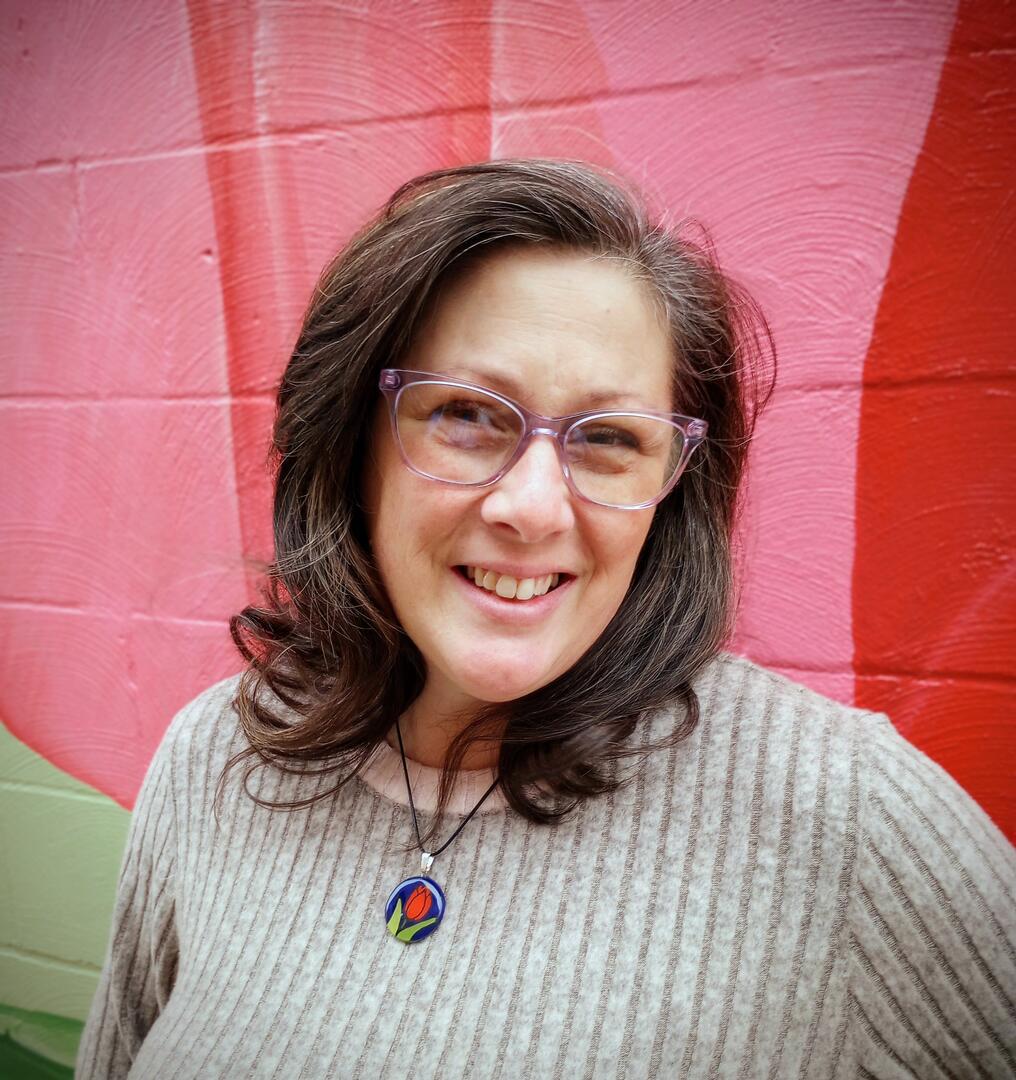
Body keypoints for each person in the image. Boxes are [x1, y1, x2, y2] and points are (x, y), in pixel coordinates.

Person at [76, 159, 1015, 1079]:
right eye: (466, 415)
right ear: (353, 446)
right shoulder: (219, 758)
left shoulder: (844, 815)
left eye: (609, 439)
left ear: (670, 493)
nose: (532, 507)